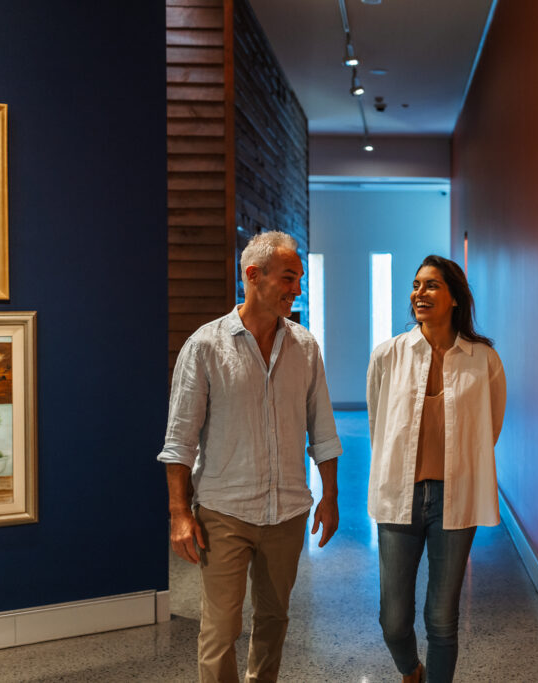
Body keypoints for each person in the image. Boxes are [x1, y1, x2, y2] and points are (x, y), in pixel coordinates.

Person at [157, 230, 342, 683]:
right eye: (288, 277)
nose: (296, 289)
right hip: (225, 512)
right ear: (252, 275)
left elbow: (322, 429)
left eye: (298, 278)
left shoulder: (306, 346)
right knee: (222, 628)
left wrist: (331, 496)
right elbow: (180, 438)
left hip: (288, 512)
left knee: (274, 620)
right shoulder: (205, 346)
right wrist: (180, 513)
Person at [366, 255, 506, 683]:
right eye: (416, 285)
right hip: (400, 494)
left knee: (442, 618)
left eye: (431, 285)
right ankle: (412, 671)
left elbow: (490, 427)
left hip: (454, 498)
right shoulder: (389, 354)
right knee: (393, 619)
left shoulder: (483, 360)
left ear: (455, 298)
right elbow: (378, 422)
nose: (418, 293)